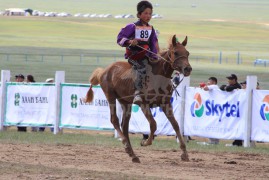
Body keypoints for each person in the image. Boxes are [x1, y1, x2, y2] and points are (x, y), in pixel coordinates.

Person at [117, 0, 159, 105]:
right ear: (139, 14)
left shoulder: (151, 28)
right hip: (134, 56)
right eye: (145, 13)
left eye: (150, 13)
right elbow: (120, 38)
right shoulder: (132, 26)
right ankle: (137, 93)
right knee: (142, 67)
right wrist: (130, 41)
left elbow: (153, 43)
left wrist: (155, 56)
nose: (148, 16)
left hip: (147, 55)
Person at [221, 74, 242, 146]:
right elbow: (222, 87)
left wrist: (227, 87)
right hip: (233, 109)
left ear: (234, 80)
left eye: (230, 79)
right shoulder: (231, 85)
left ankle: (238, 142)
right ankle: (236, 142)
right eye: (228, 79)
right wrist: (226, 87)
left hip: (238, 108)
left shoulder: (238, 86)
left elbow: (229, 89)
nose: (229, 80)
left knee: (238, 124)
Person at [203, 77, 220, 144]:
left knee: (213, 125)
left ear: (214, 82)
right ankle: (213, 141)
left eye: (209, 82)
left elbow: (205, 88)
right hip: (213, 109)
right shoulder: (213, 87)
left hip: (215, 109)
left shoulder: (214, 86)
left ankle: (214, 142)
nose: (208, 83)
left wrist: (202, 86)